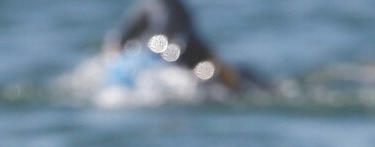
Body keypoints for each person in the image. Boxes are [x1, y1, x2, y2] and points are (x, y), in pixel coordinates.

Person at [102, 0, 265, 94]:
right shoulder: (173, 7)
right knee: (217, 78)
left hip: (177, 54)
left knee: (211, 78)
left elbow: (123, 39)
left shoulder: (151, 7)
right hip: (190, 52)